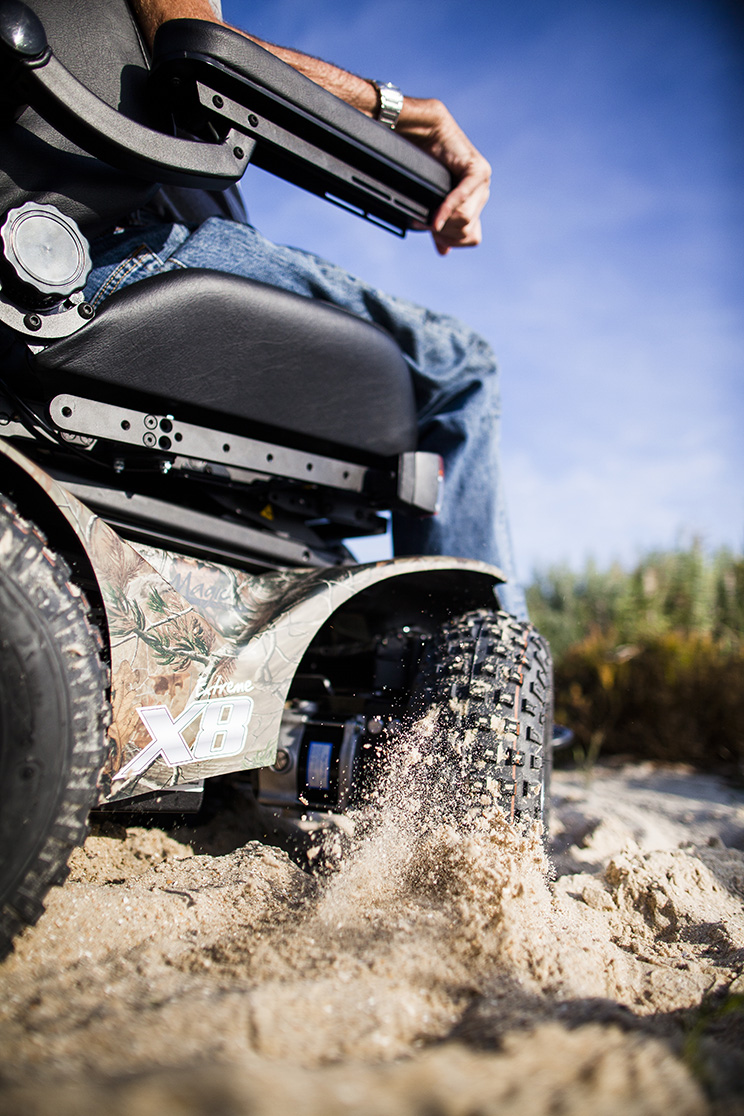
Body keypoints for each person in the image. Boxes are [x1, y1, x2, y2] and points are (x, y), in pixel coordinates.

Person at [85, 0, 527, 618]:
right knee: (461, 368)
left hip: (92, 239)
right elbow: (199, 49)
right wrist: (404, 114)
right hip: (112, 252)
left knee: (333, 541)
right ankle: (482, 686)